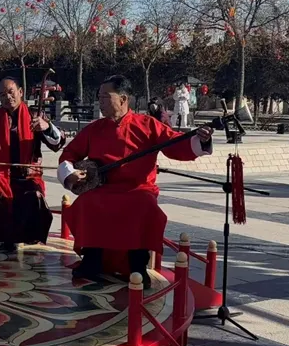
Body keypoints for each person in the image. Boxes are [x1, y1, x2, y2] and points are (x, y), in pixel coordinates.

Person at [57, 75, 213, 288]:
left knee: (144, 206)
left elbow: (174, 143)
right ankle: (92, 260)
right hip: (104, 188)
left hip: (138, 188)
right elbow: (69, 153)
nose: (100, 101)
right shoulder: (94, 128)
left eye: (105, 97)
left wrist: (200, 140)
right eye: (99, 97)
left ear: (123, 99)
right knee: (87, 202)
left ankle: (137, 265)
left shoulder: (148, 124)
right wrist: (70, 173)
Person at [0, 77, 66, 252]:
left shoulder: (35, 117)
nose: (8, 97)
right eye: (2, 95)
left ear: (20, 92)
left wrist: (46, 126)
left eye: (11, 92)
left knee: (32, 195)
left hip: (26, 175)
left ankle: (24, 236)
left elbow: (57, 143)